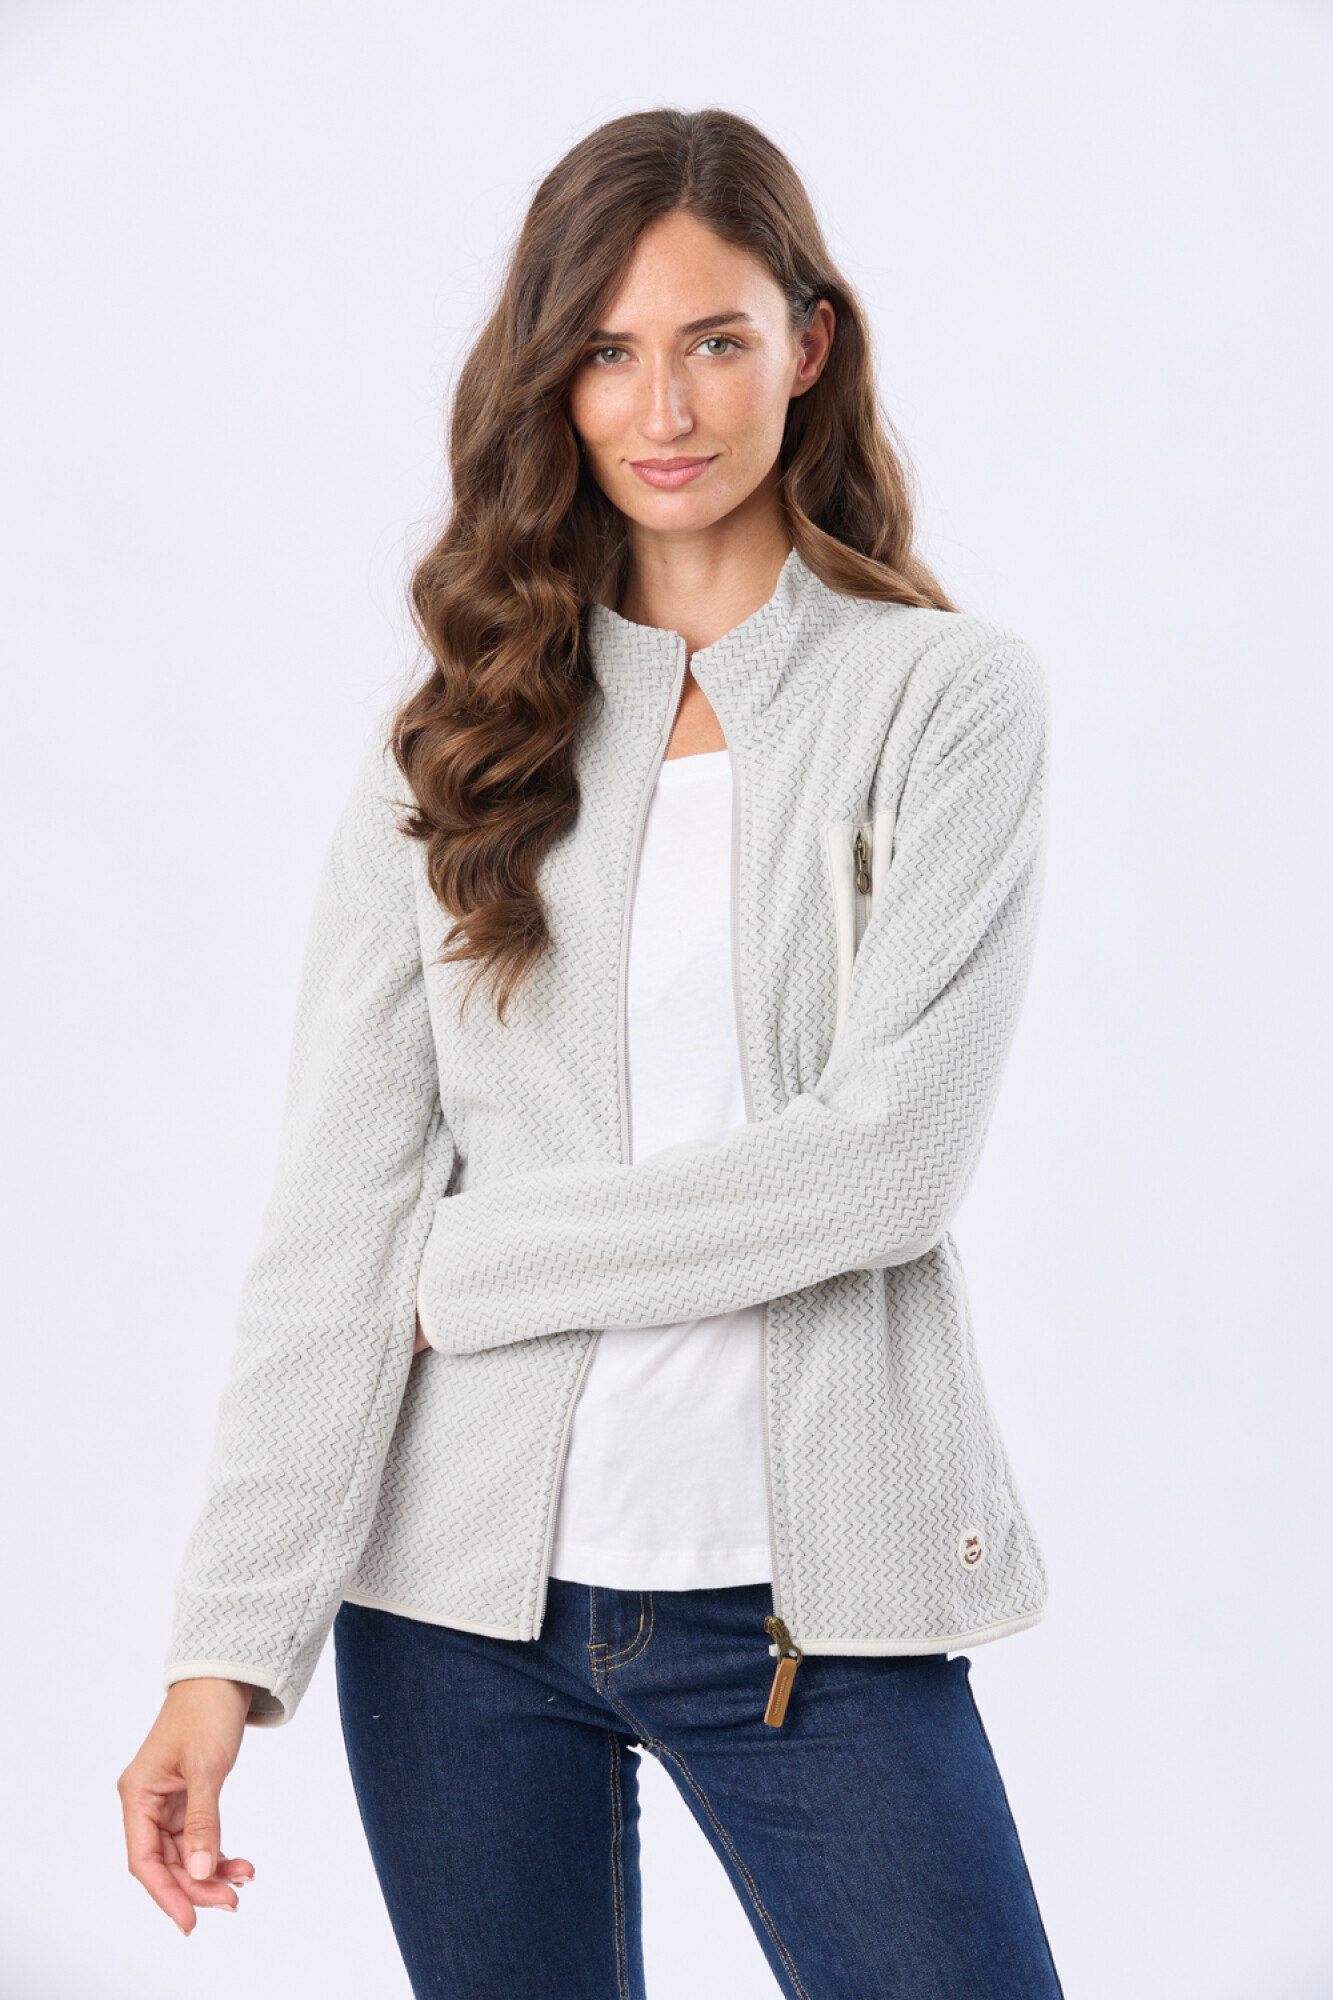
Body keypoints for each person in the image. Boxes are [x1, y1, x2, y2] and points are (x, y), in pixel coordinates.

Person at [118, 106, 1063, 1998]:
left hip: (814, 1608)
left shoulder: (940, 701)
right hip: (452, 1618)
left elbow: (884, 1163)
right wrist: (224, 1650)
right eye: (610, 351)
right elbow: (334, 1228)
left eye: (715, 339)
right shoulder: (453, 746)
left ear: (807, 344)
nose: (666, 406)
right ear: (550, 377)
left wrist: (473, 1267)